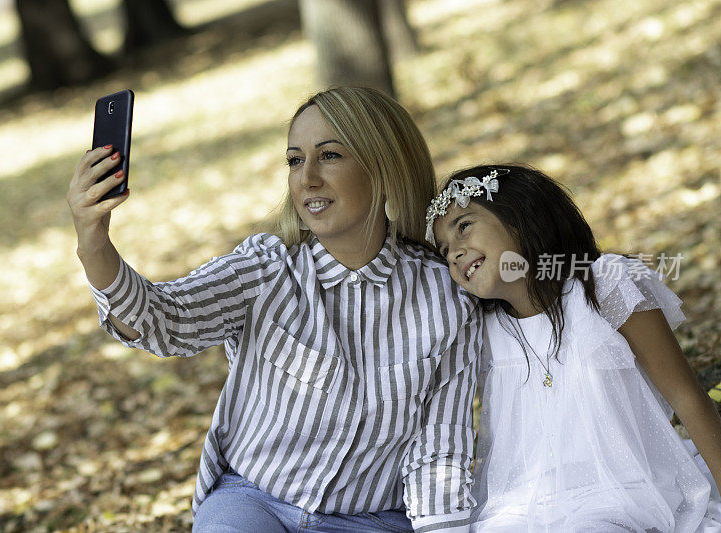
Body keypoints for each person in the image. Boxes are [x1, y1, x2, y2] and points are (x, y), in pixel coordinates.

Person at [67, 86, 482, 532]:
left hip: (372, 520)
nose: (307, 179)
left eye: (330, 155)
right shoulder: (266, 269)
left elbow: (439, 450)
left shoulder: (448, 297)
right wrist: (94, 244)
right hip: (253, 504)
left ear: (384, 166)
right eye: (295, 160)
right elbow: (166, 320)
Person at [426, 163, 721, 531]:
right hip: (521, 504)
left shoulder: (605, 287)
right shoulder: (484, 331)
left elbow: (687, 397)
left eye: (464, 226)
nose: (454, 252)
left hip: (621, 493)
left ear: (522, 214)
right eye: (444, 250)